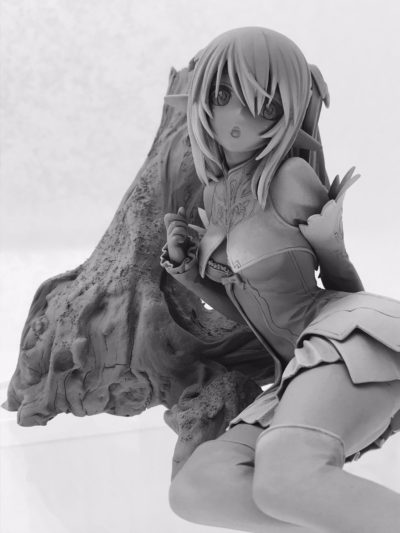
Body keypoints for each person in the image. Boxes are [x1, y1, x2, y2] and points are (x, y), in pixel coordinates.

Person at [161, 27, 400, 532]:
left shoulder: (290, 177)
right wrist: (187, 271)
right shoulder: (214, 198)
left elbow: (341, 286)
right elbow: (249, 312)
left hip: (342, 332)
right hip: (295, 364)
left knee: (287, 480)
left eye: (264, 105)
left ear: (288, 111)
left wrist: (332, 244)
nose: (239, 117)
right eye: (222, 96)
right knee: (198, 488)